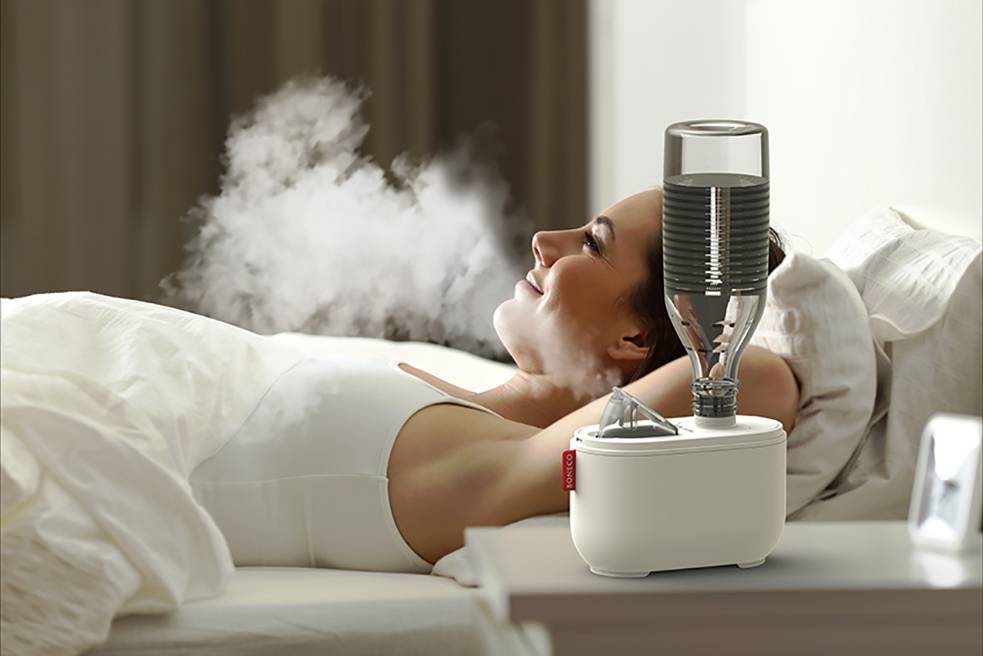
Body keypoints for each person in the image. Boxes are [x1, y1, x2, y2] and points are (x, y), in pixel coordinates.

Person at [181, 186, 799, 573]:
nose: (542, 241)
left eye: (592, 245)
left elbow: (763, 379)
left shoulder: (492, 468)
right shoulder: (460, 415)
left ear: (635, 339)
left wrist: (725, 322)